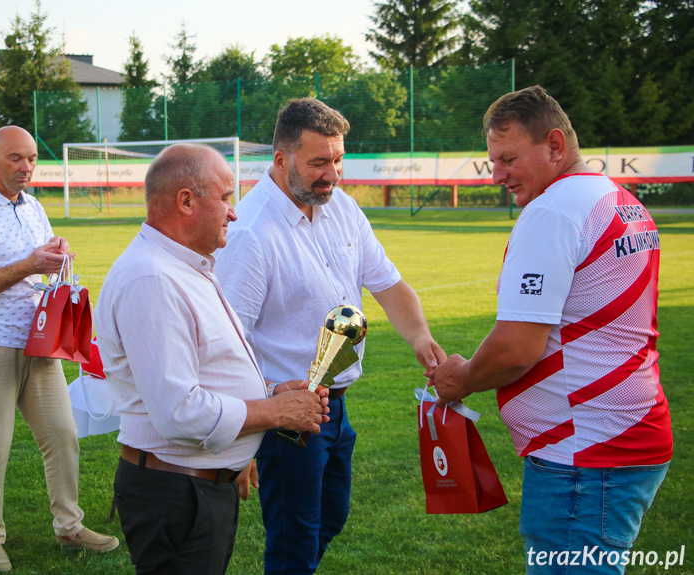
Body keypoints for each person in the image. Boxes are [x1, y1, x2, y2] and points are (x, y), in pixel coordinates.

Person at [429, 86, 672, 574]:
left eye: (509, 158)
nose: (497, 175)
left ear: (555, 146)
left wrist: (462, 378)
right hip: (622, 435)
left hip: (586, 453)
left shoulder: (553, 210)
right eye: (493, 160)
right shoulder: (618, 198)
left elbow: (517, 348)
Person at [214, 98, 446, 575]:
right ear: (280, 160)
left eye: (338, 160)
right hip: (287, 415)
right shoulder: (252, 232)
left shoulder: (341, 207)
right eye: (319, 162)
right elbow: (228, 341)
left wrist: (421, 338)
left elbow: (388, 284)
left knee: (331, 517)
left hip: (335, 405)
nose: (333, 174)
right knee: (293, 542)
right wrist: (247, 428)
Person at [93, 143, 330, 575]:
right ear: (186, 201)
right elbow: (179, 413)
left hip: (195, 485)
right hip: (176, 491)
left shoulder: (186, 266)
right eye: (224, 198)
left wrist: (270, 392)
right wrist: (272, 410)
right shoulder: (153, 278)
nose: (233, 213)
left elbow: (210, 371)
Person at [0, 126, 119, 572]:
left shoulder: (34, 205)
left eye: (32, 159)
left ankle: (69, 527)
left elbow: (41, 264)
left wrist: (56, 255)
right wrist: (29, 264)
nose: (26, 168)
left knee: (62, 435)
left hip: (39, 342)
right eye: (16, 159)